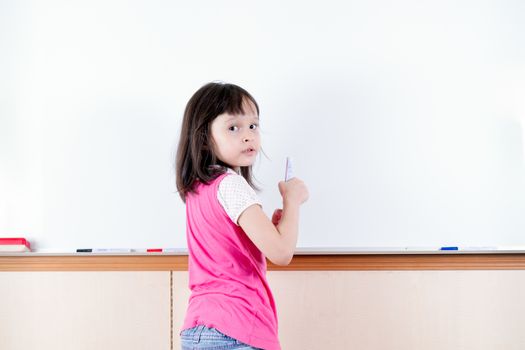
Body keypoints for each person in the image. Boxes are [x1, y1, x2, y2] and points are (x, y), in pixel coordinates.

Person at [175, 81, 309, 350]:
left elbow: (231, 247)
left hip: (197, 329)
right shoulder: (231, 185)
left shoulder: (197, 189)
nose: (248, 135)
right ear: (203, 138)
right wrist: (292, 200)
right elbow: (282, 252)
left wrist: (271, 228)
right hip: (236, 328)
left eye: (253, 126)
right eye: (233, 128)